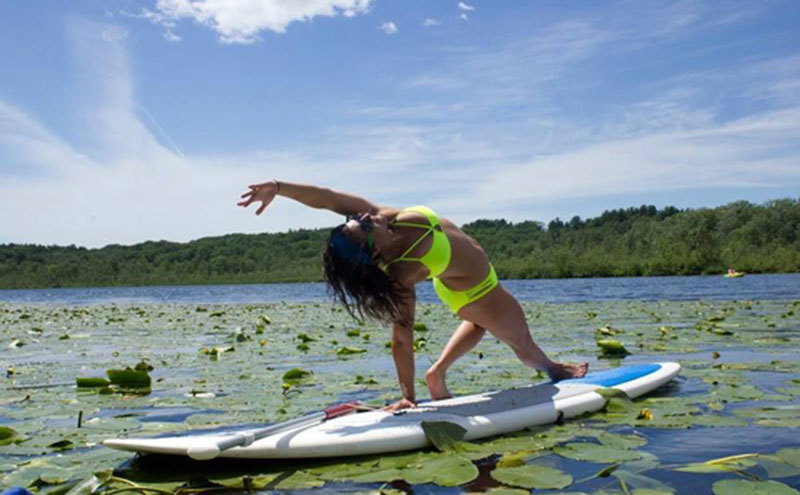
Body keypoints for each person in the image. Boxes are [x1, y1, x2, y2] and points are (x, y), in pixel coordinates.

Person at [238, 180, 588, 410]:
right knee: (525, 347)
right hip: (479, 290)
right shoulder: (402, 275)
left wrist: (279, 187)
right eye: (364, 224)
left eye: (360, 217)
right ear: (372, 249)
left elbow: (329, 198)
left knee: (477, 326)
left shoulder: (382, 218)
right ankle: (556, 370)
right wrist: (407, 397)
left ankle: (437, 374)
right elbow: (402, 339)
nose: (368, 216)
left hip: (459, 284)